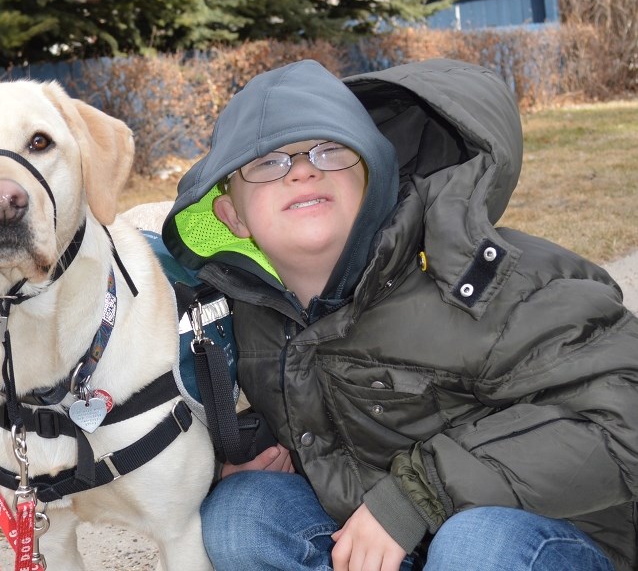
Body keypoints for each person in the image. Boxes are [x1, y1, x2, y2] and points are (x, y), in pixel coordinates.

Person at [161, 59, 638, 570]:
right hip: (406, 541)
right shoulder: (256, 313)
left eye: (330, 150)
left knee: (474, 548)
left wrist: (416, 496)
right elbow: (325, 416)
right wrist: (237, 458)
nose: (302, 169)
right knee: (241, 513)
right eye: (266, 162)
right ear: (231, 215)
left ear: (375, 178)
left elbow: (621, 413)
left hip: (549, 538)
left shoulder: (485, 278)